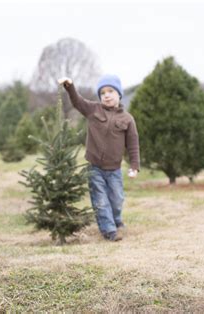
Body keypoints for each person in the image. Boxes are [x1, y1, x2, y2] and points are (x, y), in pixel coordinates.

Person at [58, 74, 140, 241]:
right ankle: (109, 231)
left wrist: (134, 166)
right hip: (95, 168)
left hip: (115, 169)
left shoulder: (127, 119)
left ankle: (116, 220)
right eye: (103, 93)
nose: (106, 95)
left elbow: (133, 145)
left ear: (119, 94)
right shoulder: (93, 109)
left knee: (117, 200)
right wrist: (70, 86)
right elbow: (77, 101)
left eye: (110, 91)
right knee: (101, 200)